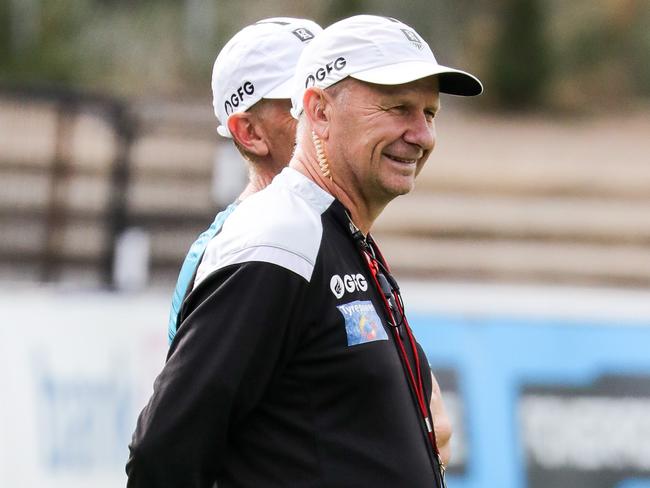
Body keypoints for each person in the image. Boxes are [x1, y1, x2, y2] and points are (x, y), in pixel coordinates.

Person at [127, 15, 476, 487]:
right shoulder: (278, 240)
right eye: (397, 108)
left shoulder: (334, 232)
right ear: (319, 111)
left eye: (429, 114)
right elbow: (164, 452)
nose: (423, 135)